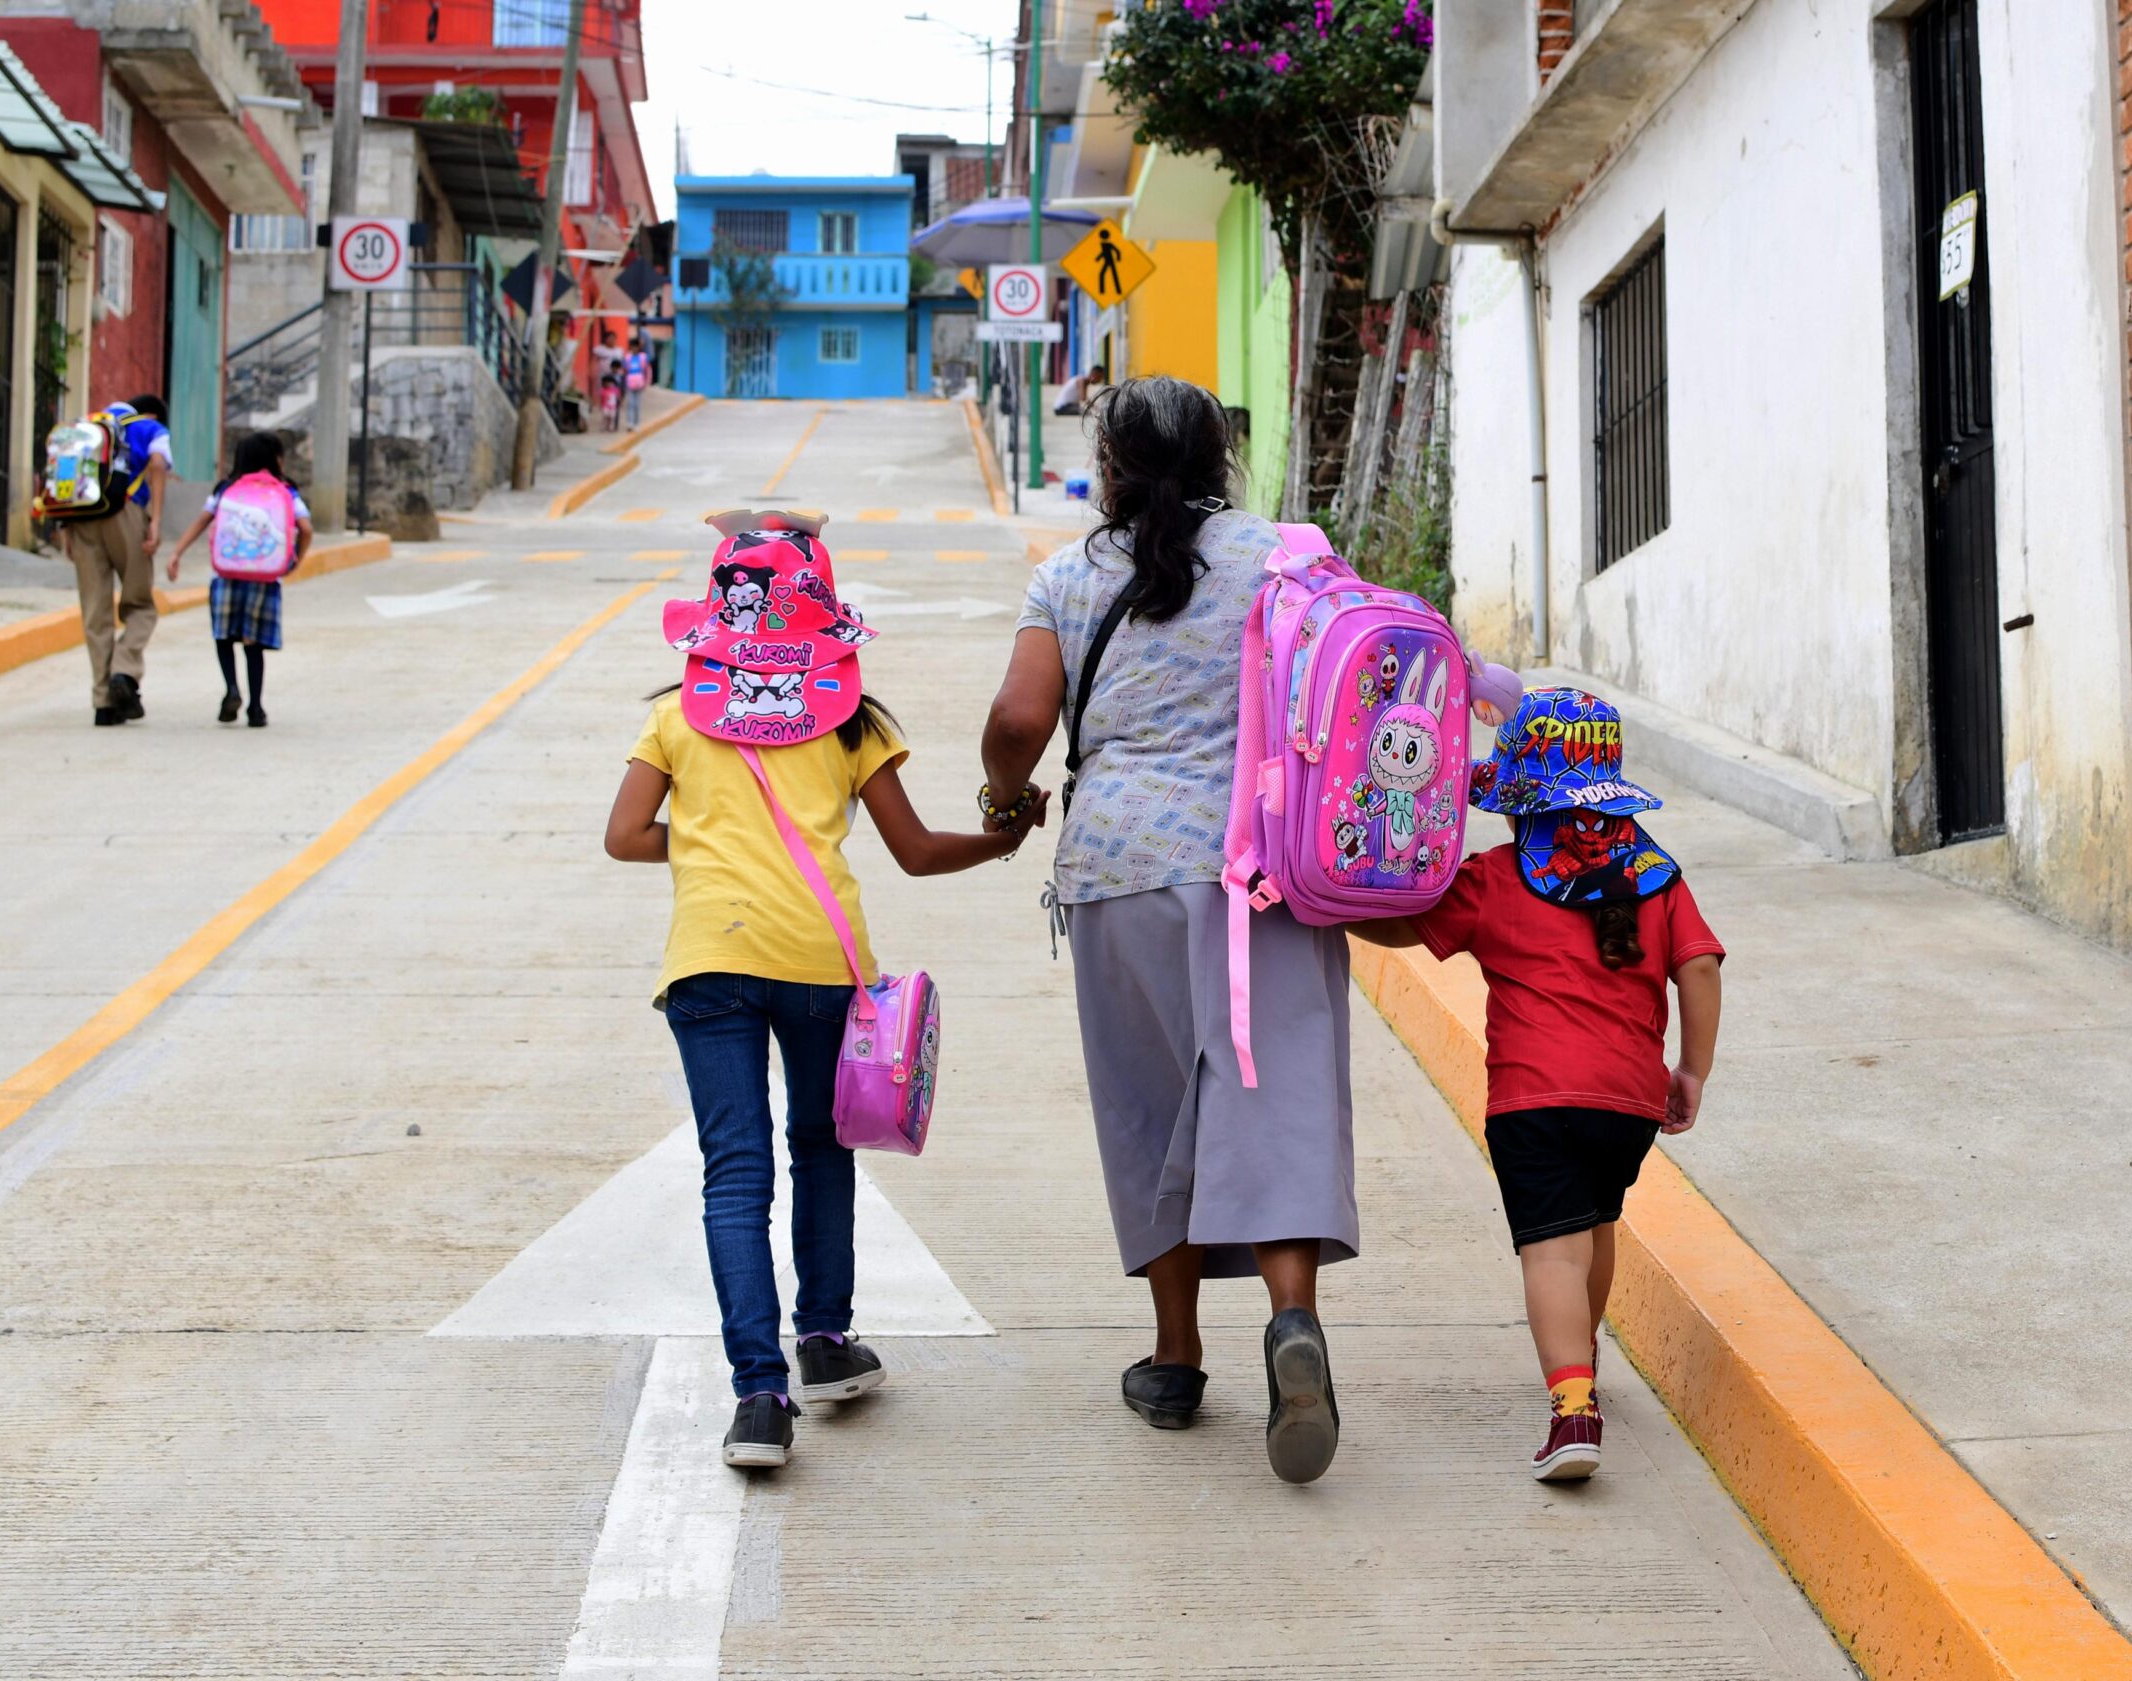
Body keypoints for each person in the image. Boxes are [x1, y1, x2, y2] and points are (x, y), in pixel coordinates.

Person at [979, 376, 1360, 1485]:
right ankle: (1293, 1321)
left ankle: (1176, 1352)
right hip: (1268, 867)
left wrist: (1009, 803)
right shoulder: (1288, 555)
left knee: (1148, 1109)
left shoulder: (1067, 574)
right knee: (1274, 1094)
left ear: (1108, 461)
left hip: (1119, 870)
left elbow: (1016, 720)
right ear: (1218, 457)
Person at [604, 511, 1044, 1470]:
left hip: (707, 964)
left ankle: (758, 1398)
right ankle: (826, 1344)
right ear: (824, 607)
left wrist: (716, 845)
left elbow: (625, 835)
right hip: (816, 965)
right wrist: (1004, 838)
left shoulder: (678, 712)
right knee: (823, 1148)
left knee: (735, 1174)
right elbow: (919, 852)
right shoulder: (853, 716)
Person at [1368, 689, 1725, 1483]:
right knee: (1596, 1226)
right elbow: (1698, 966)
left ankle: (1572, 1409)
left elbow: (1402, 924)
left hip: (1535, 1102)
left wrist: (1326, 904)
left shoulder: (1497, 879)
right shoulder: (1657, 878)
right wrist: (1692, 1067)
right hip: (1629, 1103)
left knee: (1552, 1253)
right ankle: (1583, 1354)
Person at [163, 431, 313, 728]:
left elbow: (202, 521)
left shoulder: (226, 488)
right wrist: (295, 559)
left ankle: (231, 688)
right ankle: (256, 707)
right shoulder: (286, 490)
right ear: (275, 459)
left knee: (224, 635)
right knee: (252, 642)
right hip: (265, 577)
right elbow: (305, 528)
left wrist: (176, 553)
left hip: (225, 574)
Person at [61, 395, 172, 726]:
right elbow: (156, 464)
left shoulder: (83, 428)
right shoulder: (151, 428)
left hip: (82, 517)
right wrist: (155, 520)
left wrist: (66, 527)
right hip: (127, 514)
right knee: (139, 604)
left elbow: (65, 478)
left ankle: (103, 703)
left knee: (96, 610)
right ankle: (124, 670)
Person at [623, 343, 651, 429]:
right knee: (630, 403)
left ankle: (636, 423)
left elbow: (647, 370)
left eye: (636, 347)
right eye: (633, 347)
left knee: (637, 404)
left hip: (639, 383)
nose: (634, 349)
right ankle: (629, 423)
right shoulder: (627, 357)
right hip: (630, 383)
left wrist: (647, 382)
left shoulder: (643, 358)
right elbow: (625, 371)